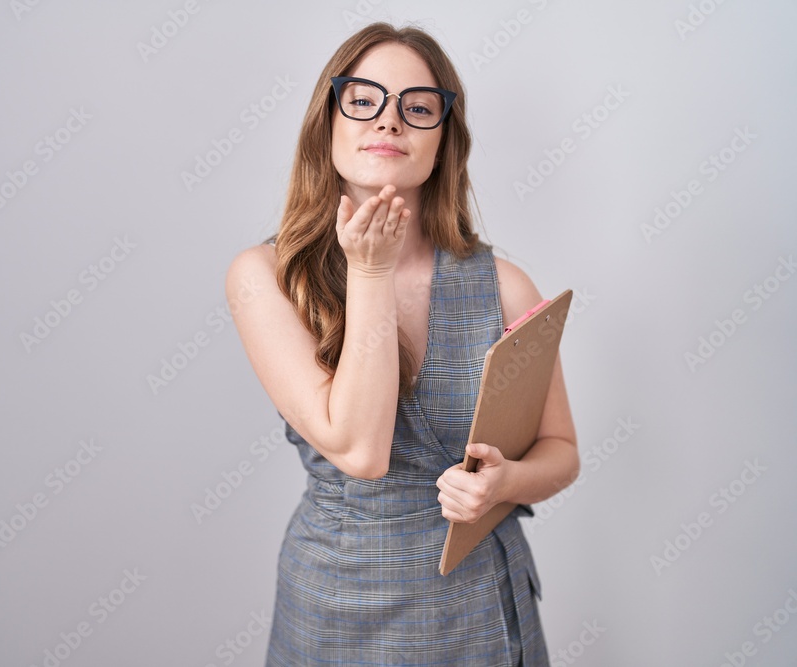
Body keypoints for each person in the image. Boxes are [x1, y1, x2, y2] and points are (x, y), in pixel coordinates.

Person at [225, 22, 578, 666]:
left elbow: (562, 452)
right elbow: (360, 450)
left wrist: (506, 483)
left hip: (481, 608)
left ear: (443, 141)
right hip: (340, 606)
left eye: (417, 108)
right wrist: (372, 271)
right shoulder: (264, 277)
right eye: (363, 99)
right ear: (325, 123)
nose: (389, 122)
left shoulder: (504, 284)